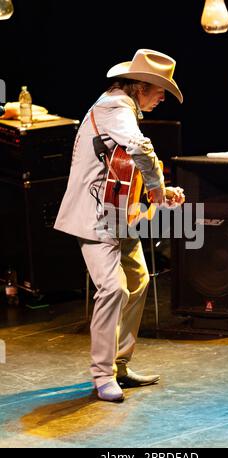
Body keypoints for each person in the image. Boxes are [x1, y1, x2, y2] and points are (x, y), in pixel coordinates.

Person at [54, 49, 185, 402]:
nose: (162, 98)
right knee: (114, 289)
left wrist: (160, 190)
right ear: (141, 86)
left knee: (138, 281)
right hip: (94, 217)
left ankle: (119, 364)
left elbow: (122, 169)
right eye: (159, 91)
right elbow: (141, 148)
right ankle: (102, 376)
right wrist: (158, 192)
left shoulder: (121, 108)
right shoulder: (115, 106)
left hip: (117, 213)